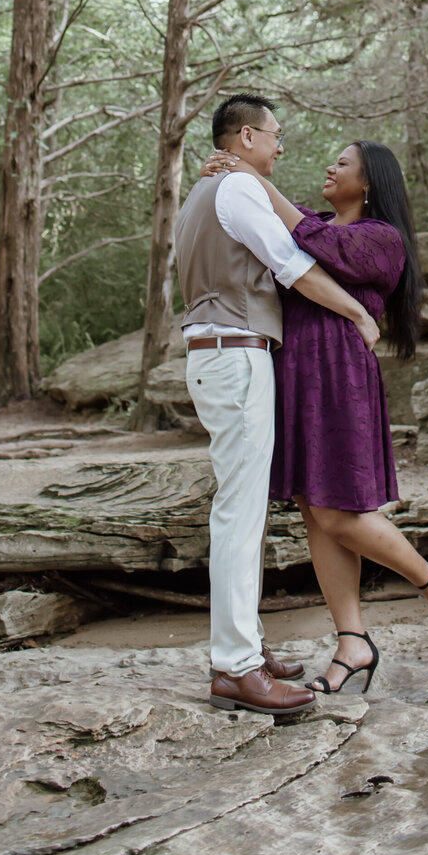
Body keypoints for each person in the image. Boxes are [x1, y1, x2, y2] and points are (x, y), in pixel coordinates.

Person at [203, 136, 428, 695]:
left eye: (342, 163)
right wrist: (229, 186)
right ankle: (352, 640)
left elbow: (313, 241)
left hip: (339, 371)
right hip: (295, 370)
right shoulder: (317, 222)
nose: (330, 166)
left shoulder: (381, 239)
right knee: (314, 510)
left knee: (340, 509)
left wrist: (254, 182)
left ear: (369, 182)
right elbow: (276, 249)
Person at [175, 94, 381, 721]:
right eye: (274, 136)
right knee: (239, 513)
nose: (280, 147)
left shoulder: (203, 196)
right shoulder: (235, 190)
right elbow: (291, 266)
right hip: (234, 355)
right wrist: (357, 311)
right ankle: (235, 668)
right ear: (244, 137)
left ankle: (245, 649)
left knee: (242, 509)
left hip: (220, 352)